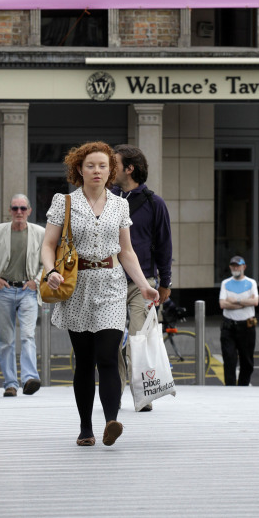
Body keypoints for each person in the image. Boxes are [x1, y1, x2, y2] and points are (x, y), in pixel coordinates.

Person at [42, 141, 159, 448]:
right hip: (76, 285)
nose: (97, 171)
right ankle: (85, 428)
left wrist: (144, 285)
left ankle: (110, 421)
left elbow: (127, 252)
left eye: (103, 166)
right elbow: (48, 244)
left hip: (111, 284)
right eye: (90, 165)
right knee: (84, 361)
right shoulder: (64, 202)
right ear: (79, 169)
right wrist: (48, 271)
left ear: (111, 171)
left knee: (108, 355)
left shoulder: (120, 205)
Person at [112, 143, 173, 409]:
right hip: (110, 280)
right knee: (110, 341)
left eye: (114, 163)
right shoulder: (107, 198)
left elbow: (164, 245)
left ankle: (143, 395)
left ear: (130, 168)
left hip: (143, 282)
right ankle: (114, 393)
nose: (109, 169)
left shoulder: (154, 203)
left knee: (138, 340)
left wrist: (166, 283)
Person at [0, 193, 44, 397]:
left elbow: (48, 262)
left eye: (23, 209)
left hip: (28, 291)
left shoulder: (40, 233)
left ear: (29, 211)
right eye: (15, 208)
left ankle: (30, 378)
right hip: (4, 290)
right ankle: (10, 384)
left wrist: (37, 281)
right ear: (9, 211)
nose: (19, 212)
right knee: (6, 340)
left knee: (28, 336)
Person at [219, 255, 259, 386]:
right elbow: (223, 304)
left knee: (247, 360)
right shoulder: (225, 283)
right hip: (228, 326)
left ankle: (244, 386)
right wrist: (245, 302)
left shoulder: (251, 282)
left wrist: (234, 301)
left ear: (244, 267)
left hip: (247, 326)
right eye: (233, 266)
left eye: (238, 265)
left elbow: (255, 301)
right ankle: (229, 388)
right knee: (229, 359)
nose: (235, 268)